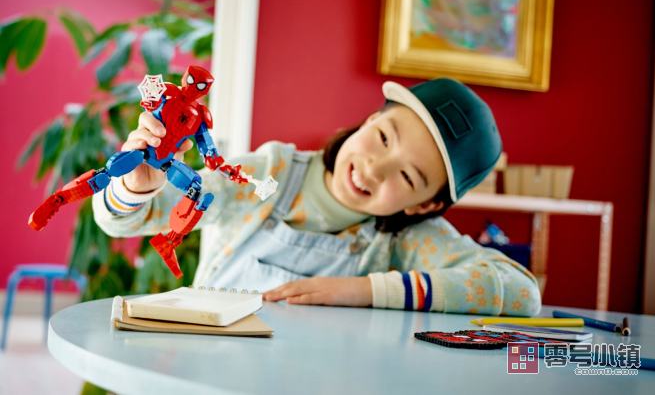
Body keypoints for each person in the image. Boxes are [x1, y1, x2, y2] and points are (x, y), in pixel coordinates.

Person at [93, 78, 541, 316]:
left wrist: (365, 291)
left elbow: (521, 292)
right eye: (384, 138)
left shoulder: (406, 239)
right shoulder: (265, 176)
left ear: (423, 205)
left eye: (407, 175)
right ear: (370, 120)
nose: (374, 168)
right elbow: (124, 220)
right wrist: (136, 184)